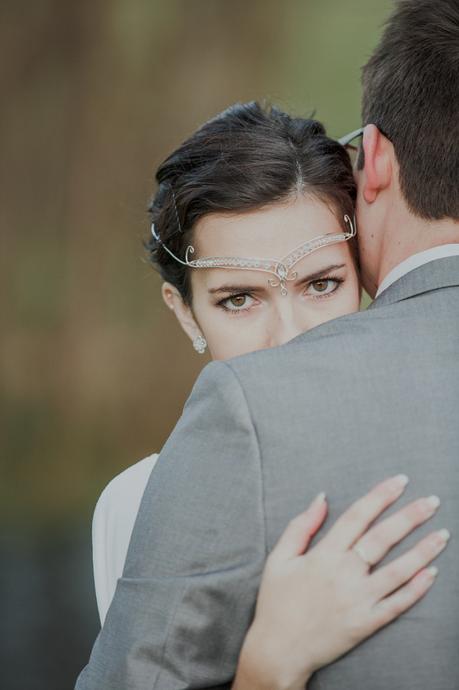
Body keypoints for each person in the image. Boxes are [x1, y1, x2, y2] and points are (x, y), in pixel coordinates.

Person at [77, 0, 459, 688]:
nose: (290, 338)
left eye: (320, 284)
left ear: (364, 265)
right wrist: (265, 667)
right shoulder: (138, 504)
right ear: (184, 312)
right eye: (238, 299)